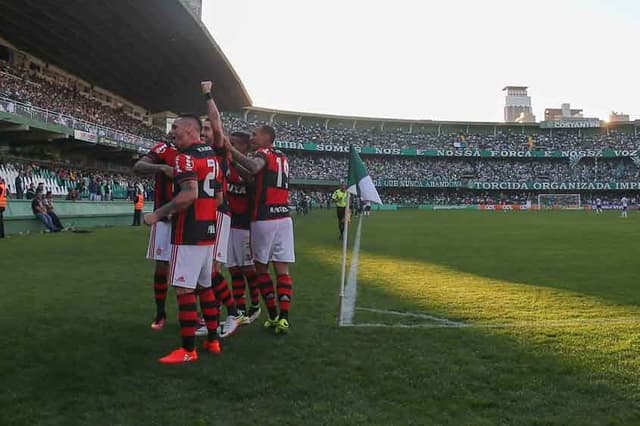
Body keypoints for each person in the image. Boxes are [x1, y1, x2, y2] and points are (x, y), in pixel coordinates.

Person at [144, 114, 222, 363]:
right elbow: (218, 198)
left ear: (190, 130)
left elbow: (189, 195)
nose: (172, 131)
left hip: (188, 231)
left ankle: (188, 349)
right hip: (209, 229)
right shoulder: (212, 158)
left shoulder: (186, 158)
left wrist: (158, 214)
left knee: (184, 290)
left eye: (176, 127)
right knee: (205, 287)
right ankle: (213, 340)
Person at [226, 124, 295, 334]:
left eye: (256, 134)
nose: (253, 138)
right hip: (284, 217)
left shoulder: (263, 153)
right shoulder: (282, 156)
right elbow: (256, 178)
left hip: (264, 217)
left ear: (267, 137)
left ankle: (272, 314)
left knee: (261, 269)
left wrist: (230, 151)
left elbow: (254, 167)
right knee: (282, 270)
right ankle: (283, 318)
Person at [201, 82, 244, 336]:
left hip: (219, 213)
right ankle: (211, 319)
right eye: (202, 128)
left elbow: (216, 121)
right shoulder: (198, 152)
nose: (206, 132)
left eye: (207, 128)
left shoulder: (218, 150)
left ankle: (234, 312)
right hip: (204, 214)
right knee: (203, 271)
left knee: (213, 270)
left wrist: (208, 94)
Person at [133, 133, 178, 330]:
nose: (172, 131)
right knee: (161, 269)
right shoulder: (164, 149)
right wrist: (161, 167)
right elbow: (139, 166)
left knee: (193, 271)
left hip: (190, 220)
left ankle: (196, 315)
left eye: (177, 127)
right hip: (164, 219)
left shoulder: (199, 152)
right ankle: (160, 313)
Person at [226, 131, 261, 324]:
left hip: (245, 225)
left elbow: (252, 180)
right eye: (229, 142)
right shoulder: (226, 165)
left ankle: (255, 306)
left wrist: (233, 161)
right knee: (233, 269)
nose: (230, 146)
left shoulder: (248, 167)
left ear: (245, 147)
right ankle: (239, 308)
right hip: (228, 224)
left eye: (234, 143)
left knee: (248, 268)